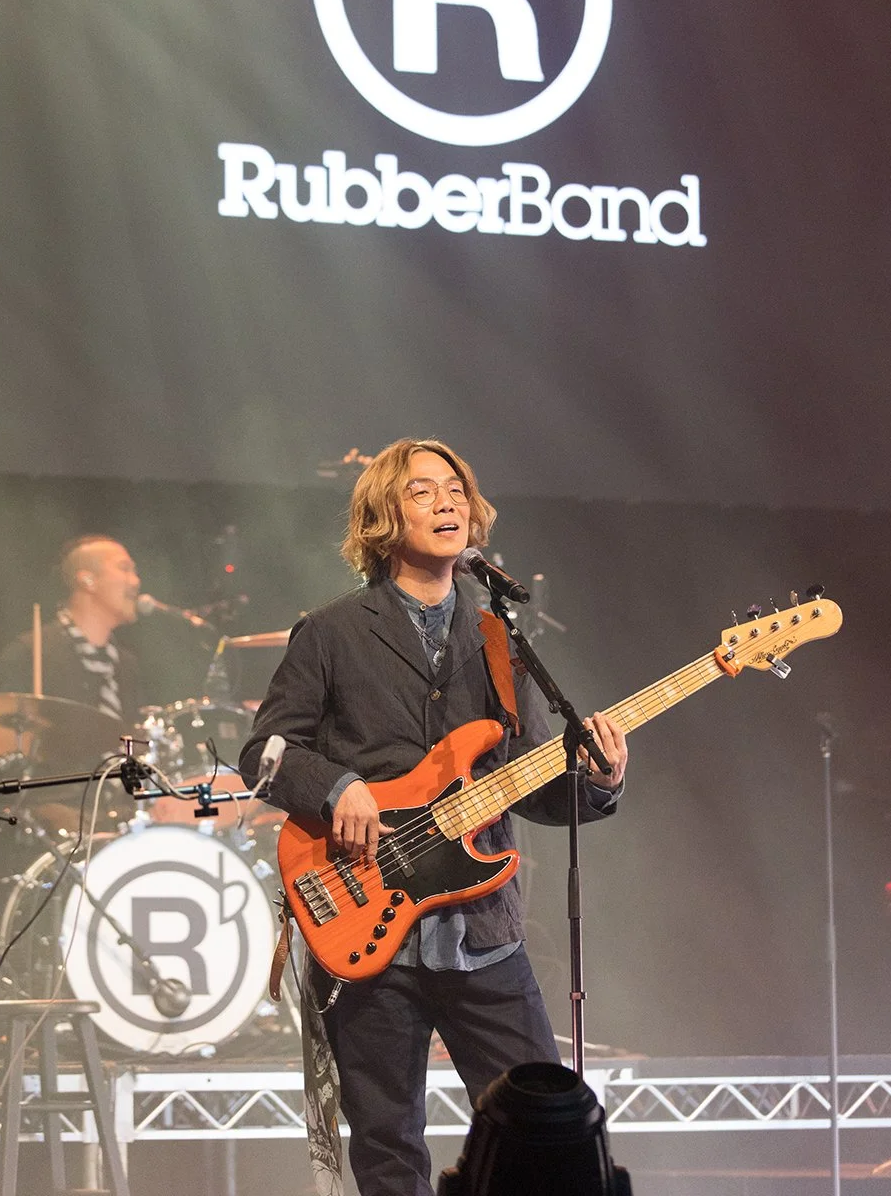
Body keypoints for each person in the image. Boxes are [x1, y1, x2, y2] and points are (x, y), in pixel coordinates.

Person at [240, 439, 628, 1196]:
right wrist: (338, 786)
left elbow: (533, 787)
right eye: (423, 492)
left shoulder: (497, 639)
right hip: (369, 935)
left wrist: (601, 782)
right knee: (388, 1154)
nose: (448, 502)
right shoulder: (330, 631)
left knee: (546, 1131)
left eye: (456, 489)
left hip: (483, 932)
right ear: (384, 516)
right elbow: (267, 752)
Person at [0, 533, 142, 740]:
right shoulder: (31, 654)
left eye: (135, 571)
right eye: (124, 568)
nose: (136, 581)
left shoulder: (126, 665)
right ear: (88, 580)